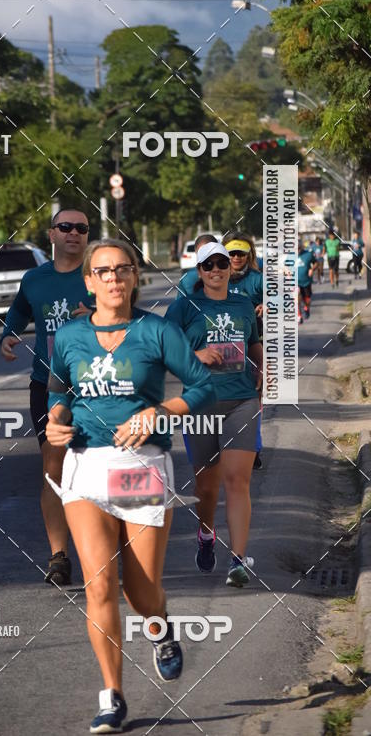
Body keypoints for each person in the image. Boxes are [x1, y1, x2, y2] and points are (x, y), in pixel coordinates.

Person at [46, 239, 215, 733]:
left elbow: (203, 386)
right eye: (103, 271)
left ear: (135, 276)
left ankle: (160, 627)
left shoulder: (157, 331)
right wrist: (56, 424)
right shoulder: (70, 335)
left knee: (141, 593)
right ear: (89, 281)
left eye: (123, 269)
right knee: (99, 585)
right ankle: (112, 697)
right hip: (86, 466)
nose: (113, 278)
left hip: (142, 466)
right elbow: (60, 396)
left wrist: (160, 411)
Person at [0, 209, 92, 586]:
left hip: (95, 388)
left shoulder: (98, 276)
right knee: (53, 470)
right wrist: (9, 332)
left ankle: (98, 548)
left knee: (93, 468)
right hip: (48, 385)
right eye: (65, 227)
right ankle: (59, 557)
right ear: (51, 235)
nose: (74, 233)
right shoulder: (35, 278)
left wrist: (100, 312)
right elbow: (21, 309)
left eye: (82, 228)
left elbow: (129, 319)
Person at [165, 242, 263, 589]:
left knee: (238, 481)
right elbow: (164, 349)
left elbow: (254, 342)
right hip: (201, 403)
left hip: (242, 400)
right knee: (207, 487)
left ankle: (237, 560)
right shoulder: (184, 307)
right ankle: (206, 534)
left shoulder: (243, 304)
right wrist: (196, 354)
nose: (217, 270)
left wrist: (263, 371)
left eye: (222, 263)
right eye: (209, 265)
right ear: (200, 270)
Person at [223, 232, 264, 470]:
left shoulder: (257, 280)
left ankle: (253, 448)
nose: (236, 257)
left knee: (253, 399)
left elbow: (285, 296)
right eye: (232, 253)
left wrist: (269, 303)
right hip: (224, 347)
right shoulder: (217, 277)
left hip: (255, 343)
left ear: (249, 255)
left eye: (241, 253)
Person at [297, 241, 316, 323]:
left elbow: (316, 263)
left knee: (307, 298)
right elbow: (285, 266)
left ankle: (306, 308)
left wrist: (312, 269)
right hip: (295, 282)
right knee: (297, 298)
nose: (297, 250)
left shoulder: (308, 254)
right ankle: (299, 316)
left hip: (306, 281)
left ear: (301, 247)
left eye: (298, 248)